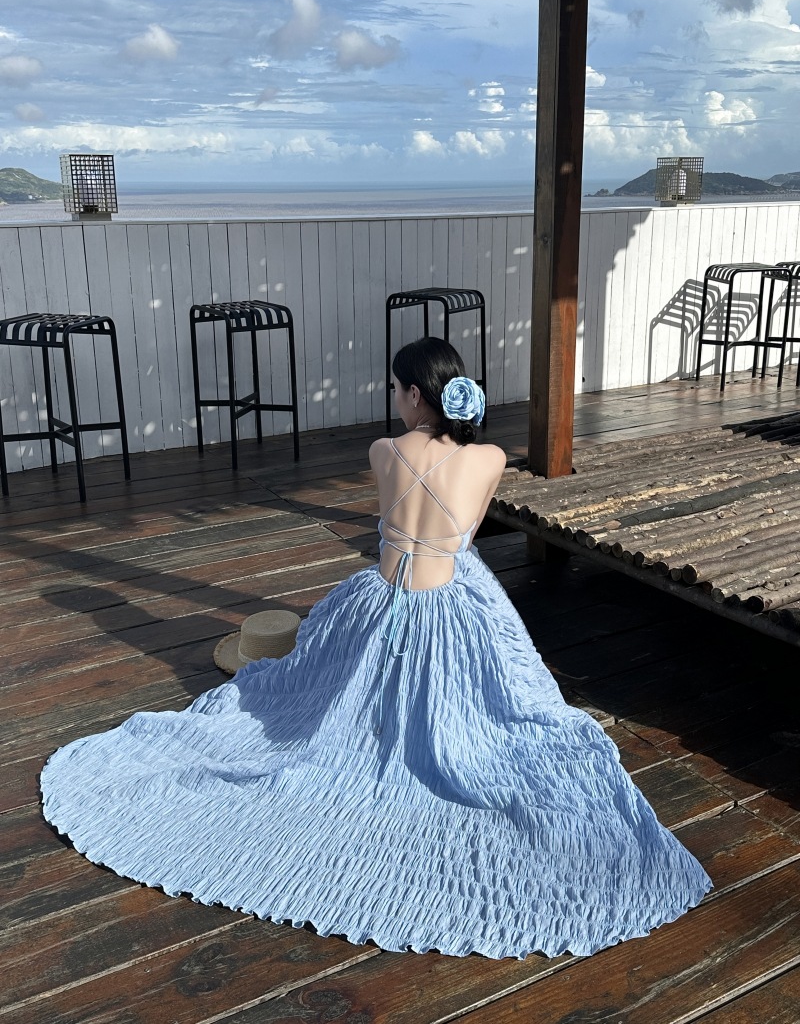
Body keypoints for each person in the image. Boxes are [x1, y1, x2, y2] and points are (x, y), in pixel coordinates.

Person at [40, 337, 711, 959]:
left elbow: (398, 521)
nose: (394, 399)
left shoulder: (382, 451)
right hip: (445, 608)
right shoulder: (489, 457)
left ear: (417, 393)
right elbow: (466, 539)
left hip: (379, 603)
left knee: (324, 691)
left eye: (397, 388)